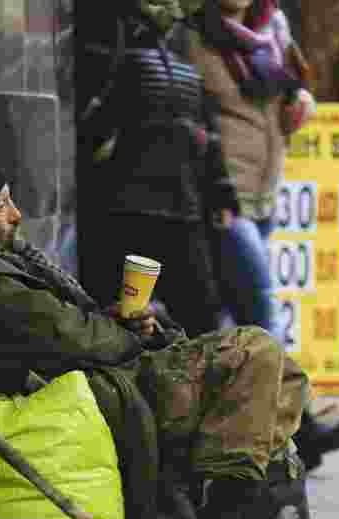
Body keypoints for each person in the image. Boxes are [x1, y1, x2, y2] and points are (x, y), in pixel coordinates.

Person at [0, 148, 312, 519]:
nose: (16, 214)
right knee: (258, 352)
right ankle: (223, 505)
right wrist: (135, 336)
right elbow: (71, 335)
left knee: (282, 380)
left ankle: (217, 499)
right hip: (98, 388)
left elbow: (77, 328)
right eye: (2, 205)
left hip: (107, 375)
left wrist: (143, 330)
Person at [182, 0, 339, 471]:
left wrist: (300, 96)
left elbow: (293, 80)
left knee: (233, 319)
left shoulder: (274, 27)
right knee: (261, 310)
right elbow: (193, 119)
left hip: (265, 188)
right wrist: (212, 192)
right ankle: (300, 426)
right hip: (226, 196)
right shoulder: (195, 36)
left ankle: (257, 436)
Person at [75, 0, 237, 338]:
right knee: (120, 315)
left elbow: (206, 132)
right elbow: (93, 125)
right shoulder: (109, 42)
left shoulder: (184, 47)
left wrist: (221, 192)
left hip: (183, 207)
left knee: (201, 316)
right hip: (126, 210)